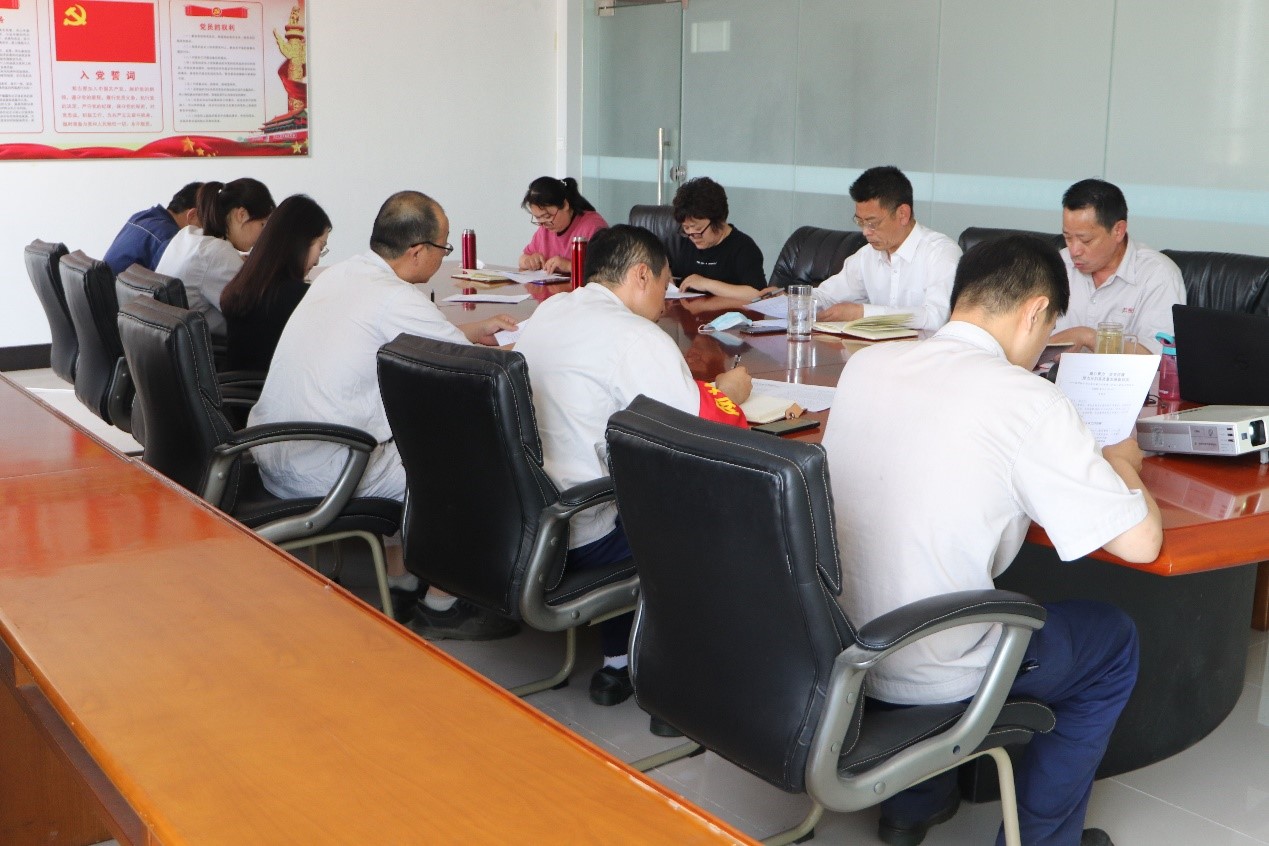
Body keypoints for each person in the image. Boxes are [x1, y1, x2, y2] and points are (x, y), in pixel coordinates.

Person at [821, 235, 1162, 846]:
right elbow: (1141, 544)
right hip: (933, 670)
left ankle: (912, 803)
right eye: (1049, 330)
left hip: (837, 650)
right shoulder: (1028, 399)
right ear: (1036, 312)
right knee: (1112, 642)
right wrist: (1122, 462)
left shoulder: (867, 366)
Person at [249, 190, 519, 637]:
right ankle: (444, 603)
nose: (444, 255)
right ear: (418, 251)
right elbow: (473, 373)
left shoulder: (343, 274)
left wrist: (473, 331)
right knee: (469, 459)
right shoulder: (396, 298)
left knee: (405, 438)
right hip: (326, 467)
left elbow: (414, 334)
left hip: (276, 451)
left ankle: (401, 579)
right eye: (443, 246)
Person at [514, 224, 752, 708]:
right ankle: (681, 667)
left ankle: (619, 657)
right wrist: (728, 392)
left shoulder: (551, 310)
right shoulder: (635, 335)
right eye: (665, 283)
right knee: (720, 502)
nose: (667, 298)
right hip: (582, 532)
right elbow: (695, 431)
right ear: (642, 275)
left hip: (523, 516)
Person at [813, 165, 960, 330]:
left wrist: (863, 314)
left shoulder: (941, 253)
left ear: (902, 214)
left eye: (872, 223)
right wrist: (795, 302)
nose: (865, 232)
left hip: (926, 346)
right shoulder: (867, 255)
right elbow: (826, 297)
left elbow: (936, 317)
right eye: (860, 222)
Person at [1050, 178, 1186, 354]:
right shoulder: (1057, 264)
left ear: (1118, 231)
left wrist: (1089, 337)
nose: (1074, 250)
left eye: (1085, 240)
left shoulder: (1158, 274)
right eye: (1068, 238)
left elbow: (1160, 358)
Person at [220, 194, 330, 372]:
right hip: (270, 386)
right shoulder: (296, 297)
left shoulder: (245, 283)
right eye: (321, 247)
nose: (317, 261)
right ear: (302, 242)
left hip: (241, 384)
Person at [156, 179, 276, 340]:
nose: (263, 235)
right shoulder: (219, 253)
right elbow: (255, 314)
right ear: (241, 214)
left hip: (169, 343)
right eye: (262, 224)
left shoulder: (189, 235)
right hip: (210, 348)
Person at [671, 177, 769, 297]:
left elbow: (757, 294)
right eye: (686, 228)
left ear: (719, 220)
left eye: (698, 228)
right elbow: (675, 278)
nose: (692, 236)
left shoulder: (744, 248)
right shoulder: (685, 242)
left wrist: (707, 284)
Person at [103, 182, 203, 275]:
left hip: (105, 284)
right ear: (192, 215)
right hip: (116, 287)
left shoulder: (141, 216)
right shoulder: (170, 238)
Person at [519, 176, 608, 275]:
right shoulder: (544, 229)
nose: (543, 224)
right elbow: (522, 259)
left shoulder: (593, 226)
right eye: (538, 218)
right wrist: (529, 261)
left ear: (565, 205)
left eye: (547, 216)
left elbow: (607, 270)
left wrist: (568, 266)